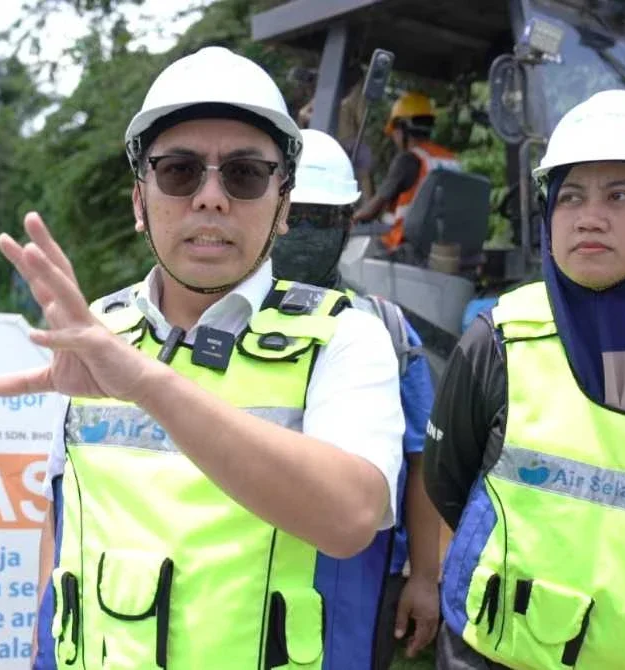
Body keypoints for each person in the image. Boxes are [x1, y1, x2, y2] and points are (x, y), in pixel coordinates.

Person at [0, 46, 405, 669]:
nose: (210, 198)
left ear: (283, 204)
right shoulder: (96, 332)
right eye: (180, 172)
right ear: (140, 202)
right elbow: (62, 515)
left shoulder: (345, 337)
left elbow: (349, 517)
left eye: (243, 175)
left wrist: (149, 385)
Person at [425, 89, 625, 668]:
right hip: (493, 650)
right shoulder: (499, 339)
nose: (589, 217)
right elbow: (449, 481)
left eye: (620, 194)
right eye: (569, 196)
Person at [270, 128, 440, 668]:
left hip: (359, 574)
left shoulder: (386, 329)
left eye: (320, 220)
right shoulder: (215, 326)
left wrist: (426, 578)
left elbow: (421, 461)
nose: (301, 234)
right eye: (293, 216)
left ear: (347, 225)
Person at [351, 91, 459, 254]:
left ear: (402, 128)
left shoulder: (408, 159)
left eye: (394, 131)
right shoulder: (452, 160)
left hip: (407, 248)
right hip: (444, 250)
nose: (393, 138)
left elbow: (373, 210)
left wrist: (351, 218)